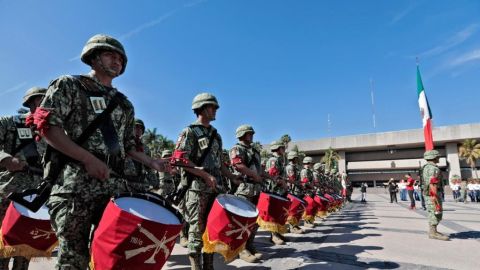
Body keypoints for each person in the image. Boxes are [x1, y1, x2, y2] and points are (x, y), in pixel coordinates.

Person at [34, 34, 170, 269]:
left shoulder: (124, 103)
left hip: (113, 188)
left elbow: (127, 146)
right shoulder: (69, 85)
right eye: (110, 55)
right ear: (93, 58)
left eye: (120, 58)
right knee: (73, 259)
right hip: (74, 186)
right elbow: (47, 127)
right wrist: (87, 159)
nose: (117, 61)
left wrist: (152, 163)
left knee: (113, 257)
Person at [173, 93, 238, 270]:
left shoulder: (216, 136)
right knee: (196, 231)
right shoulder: (190, 132)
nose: (216, 110)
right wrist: (204, 175)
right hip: (196, 189)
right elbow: (179, 160)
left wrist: (232, 177)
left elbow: (220, 164)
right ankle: (196, 267)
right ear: (201, 108)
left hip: (215, 189)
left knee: (212, 229)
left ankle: (209, 266)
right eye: (212, 107)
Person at [0, 86, 47, 270]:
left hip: (36, 197)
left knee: (26, 246)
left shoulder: (52, 133)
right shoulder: (9, 123)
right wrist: (5, 158)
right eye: (44, 100)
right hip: (8, 193)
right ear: (34, 102)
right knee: (4, 244)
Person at [230, 125, 263, 263]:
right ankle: (241, 248)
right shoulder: (237, 149)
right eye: (249, 133)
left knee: (255, 220)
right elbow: (237, 165)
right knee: (242, 221)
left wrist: (266, 177)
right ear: (242, 134)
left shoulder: (255, 151)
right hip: (244, 189)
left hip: (256, 188)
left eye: (251, 133)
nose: (251, 135)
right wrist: (254, 175)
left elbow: (260, 170)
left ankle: (249, 244)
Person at [422, 150, 449, 241]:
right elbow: (432, 183)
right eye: (437, 156)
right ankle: (433, 233)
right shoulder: (433, 168)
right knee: (435, 212)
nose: (439, 158)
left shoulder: (428, 167)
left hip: (431, 193)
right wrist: (434, 197)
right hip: (433, 193)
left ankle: (434, 231)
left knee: (434, 212)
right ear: (433, 157)